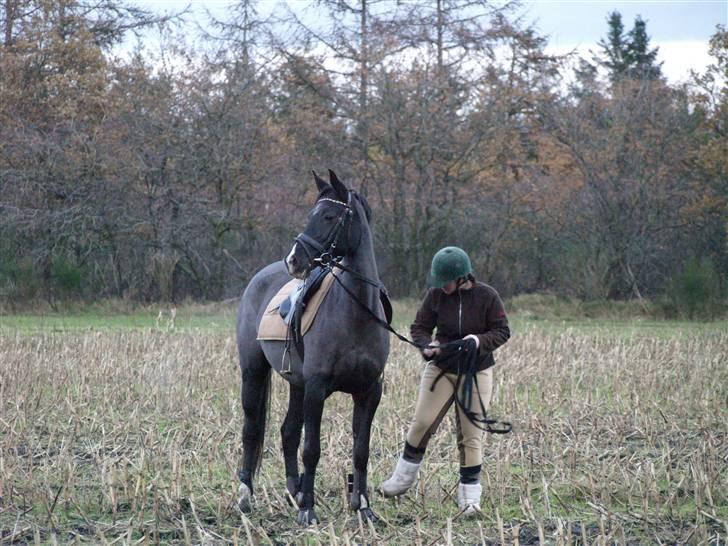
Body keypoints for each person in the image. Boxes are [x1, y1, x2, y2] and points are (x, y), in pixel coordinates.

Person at [380, 246, 510, 516]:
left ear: (462, 277)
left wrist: (477, 341)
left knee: (471, 435)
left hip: (477, 372)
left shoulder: (488, 296)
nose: (442, 287)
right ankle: (401, 480)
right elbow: (419, 327)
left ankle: (470, 499)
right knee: (422, 423)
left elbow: (502, 331)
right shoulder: (435, 295)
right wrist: (426, 345)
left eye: (446, 282)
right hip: (441, 369)